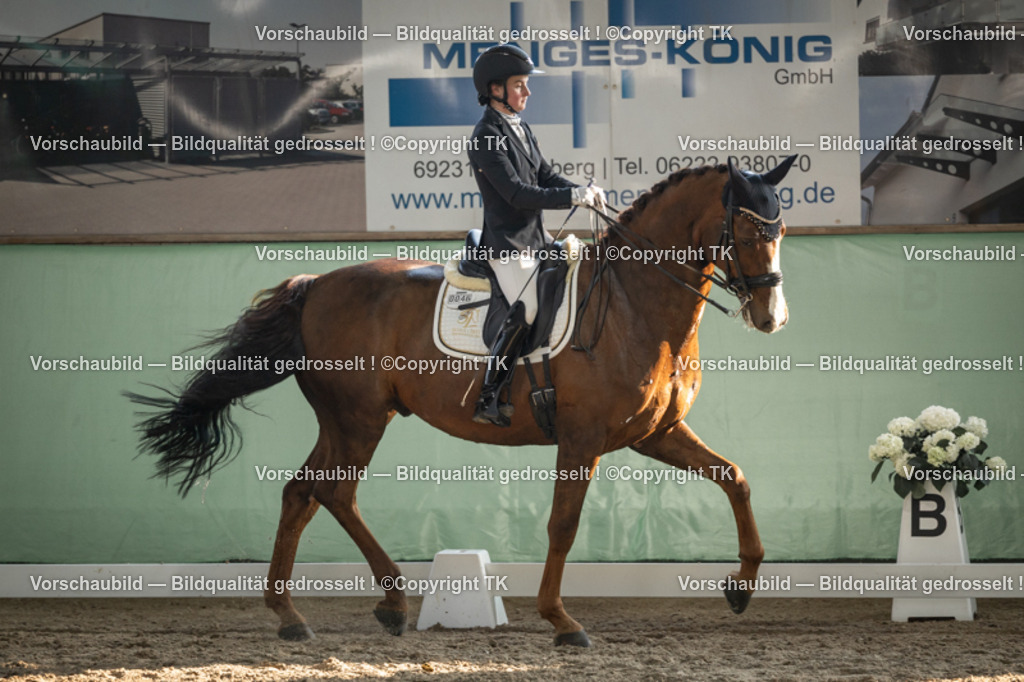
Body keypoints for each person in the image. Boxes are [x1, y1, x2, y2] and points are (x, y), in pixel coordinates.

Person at [467, 44, 606, 427]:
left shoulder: (519, 126)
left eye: (526, 85)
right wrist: (569, 197)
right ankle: (489, 395)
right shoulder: (486, 136)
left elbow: (544, 177)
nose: (527, 93)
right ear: (495, 89)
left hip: (536, 239)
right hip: (509, 245)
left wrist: (581, 190)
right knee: (526, 307)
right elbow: (515, 193)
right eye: (519, 85)